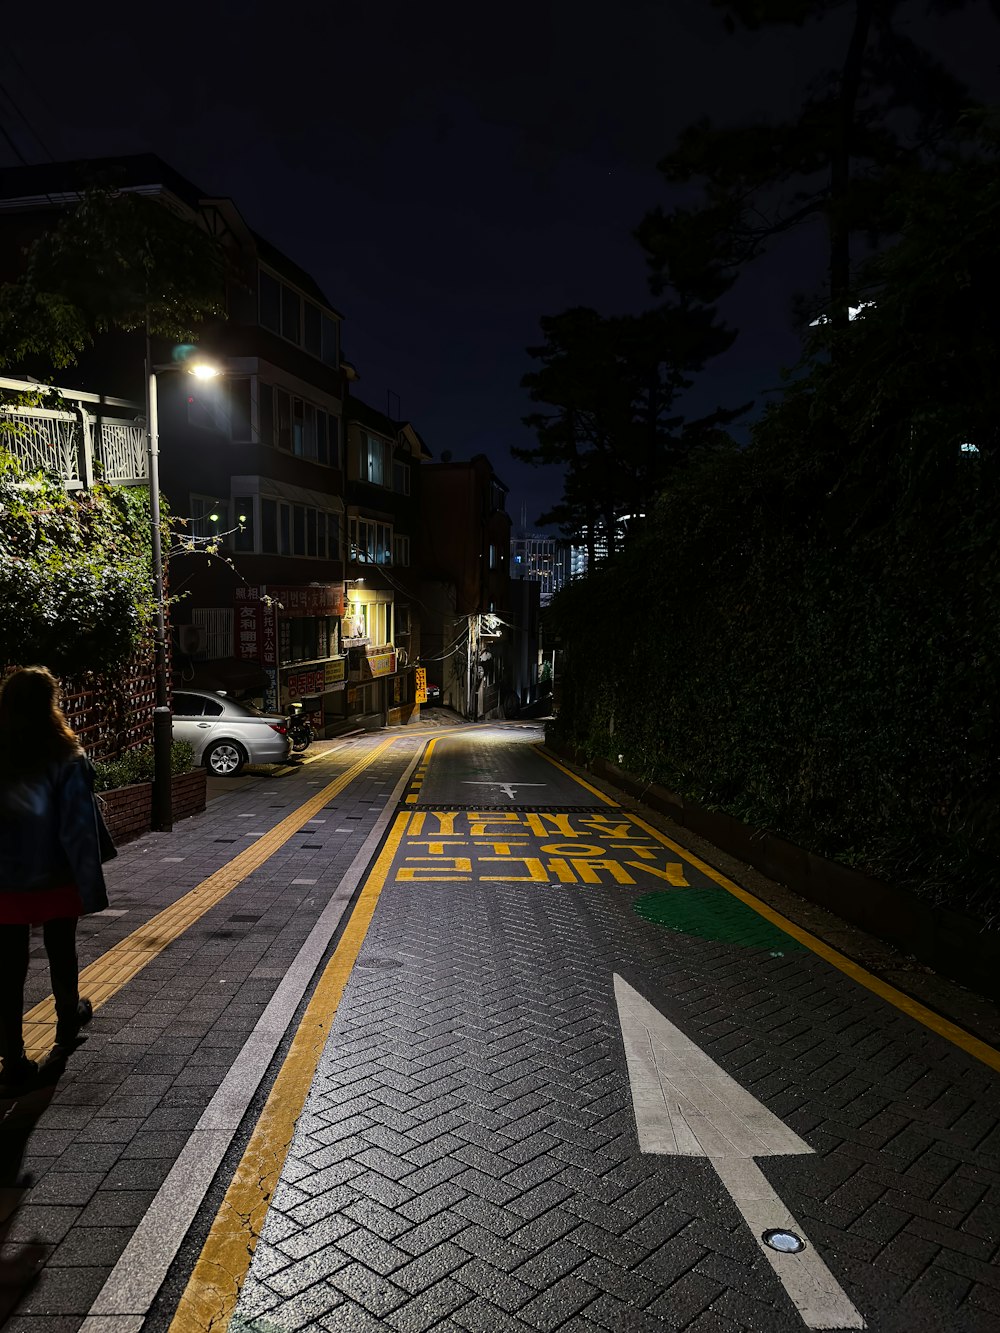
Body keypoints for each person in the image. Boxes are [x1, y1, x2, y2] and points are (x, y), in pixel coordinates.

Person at [0, 666, 109, 1090]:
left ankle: (13, 1058)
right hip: (55, 874)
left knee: (8, 966)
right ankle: (67, 1015)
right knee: (61, 946)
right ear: (52, 704)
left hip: (5, 879)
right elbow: (78, 829)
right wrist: (90, 886)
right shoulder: (67, 757)